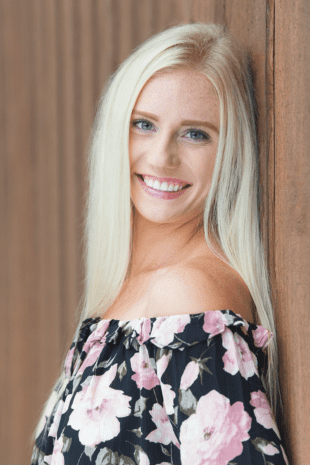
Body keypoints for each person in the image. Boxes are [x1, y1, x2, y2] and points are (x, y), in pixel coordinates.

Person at [30, 22, 289, 464]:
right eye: (144, 124)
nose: (162, 156)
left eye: (196, 133)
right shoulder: (126, 296)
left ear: (231, 153)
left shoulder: (191, 298)